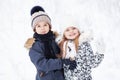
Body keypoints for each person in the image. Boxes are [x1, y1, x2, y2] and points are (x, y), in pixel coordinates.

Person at [24, 6, 77, 80]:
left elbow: (64, 52)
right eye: (38, 26)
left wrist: (69, 61)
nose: (42, 28)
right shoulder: (34, 46)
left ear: (49, 26)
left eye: (45, 25)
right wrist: (62, 63)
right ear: (34, 29)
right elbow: (42, 64)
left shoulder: (56, 39)